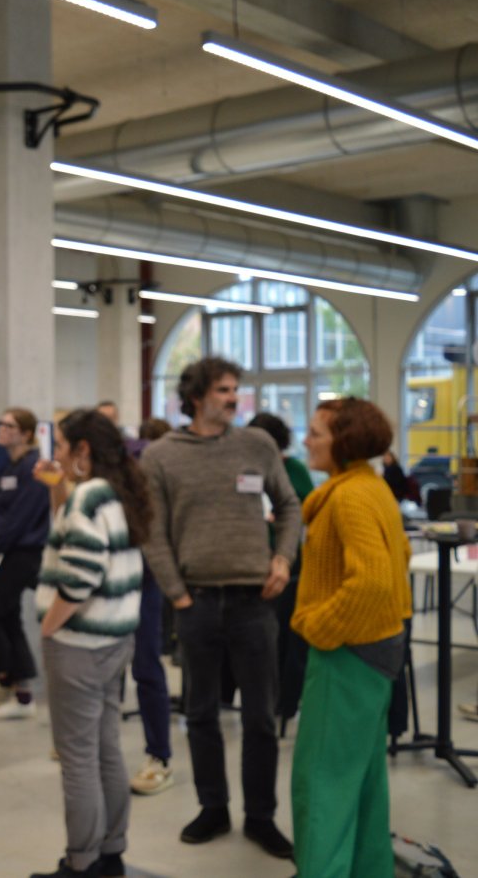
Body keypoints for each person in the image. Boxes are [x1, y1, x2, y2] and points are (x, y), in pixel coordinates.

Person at [139, 358, 300, 859]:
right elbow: (151, 530)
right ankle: (213, 808)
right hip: (198, 602)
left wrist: (283, 558)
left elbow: (290, 506)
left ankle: (260, 817)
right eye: (224, 390)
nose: (234, 398)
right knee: (202, 713)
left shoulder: (257, 444)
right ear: (195, 397)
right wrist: (177, 593)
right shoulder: (162, 456)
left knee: (260, 716)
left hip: (255, 601)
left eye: (235, 389)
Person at [292, 398, 413, 878]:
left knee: (321, 783)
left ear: (343, 442)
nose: (306, 440)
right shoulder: (371, 486)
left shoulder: (347, 497)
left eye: (316, 433)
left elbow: (373, 580)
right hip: (377, 650)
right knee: (361, 781)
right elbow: (400, 552)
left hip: (348, 654)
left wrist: (322, 626)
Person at [30, 408, 150, 878]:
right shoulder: (115, 493)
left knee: (78, 758)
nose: (55, 453)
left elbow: (79, 576)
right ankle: (110, 851)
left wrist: (48, 625)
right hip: (114, 640)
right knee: (105, 749)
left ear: (83, 450)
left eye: (62, 444)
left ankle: (81, 861)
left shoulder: (89, 499)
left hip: (78, 643)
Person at [0, 406, 50, 721]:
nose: (1, 428)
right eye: (1, 422)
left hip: (23, 552)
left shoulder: (34, 468)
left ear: (25, 433)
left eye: (9, 425)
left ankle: (9, 679)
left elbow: (19, 518)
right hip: (4, 549)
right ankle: (21, 693)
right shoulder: (9, 467)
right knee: (7, 617)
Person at [248, 412, 315, 726]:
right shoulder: (248, 469)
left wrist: (278, 514)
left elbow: (302, 506)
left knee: (284, 640)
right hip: (251, 561)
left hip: (287, 563)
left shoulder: (293, 468)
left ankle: (284, 702)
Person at [127, 417, 174, 797]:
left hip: (144, 577)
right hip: (130, 578)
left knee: (145, 666)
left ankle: (158, 755)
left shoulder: (145, 466)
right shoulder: (120, 472)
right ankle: (157, 755)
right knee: (140, 666)